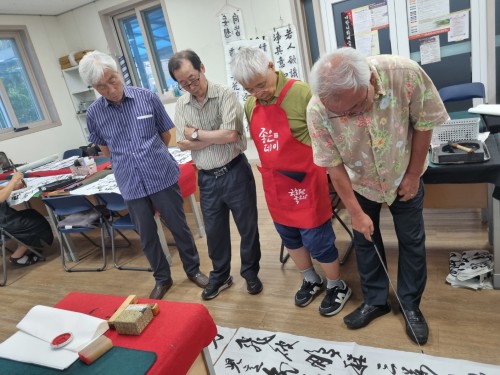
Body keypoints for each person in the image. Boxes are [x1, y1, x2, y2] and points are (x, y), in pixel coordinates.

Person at [307, 47, 448, 344]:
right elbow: (332, 165)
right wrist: (355, 213)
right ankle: (376, 300)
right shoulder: (318, 108)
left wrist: (412, 175)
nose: (351, 116)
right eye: (342, 114)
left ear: (370, 80)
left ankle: (410, 304)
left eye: (357, 106)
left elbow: (425, 123)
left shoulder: (404, 74)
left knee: (411, 239)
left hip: (402, 172)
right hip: (360, 182)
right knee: (364, 239)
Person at [230, 47, 351, 316]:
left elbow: (328, 136)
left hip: (307, 181)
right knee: (290, 236)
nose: (257, 93)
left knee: (317, 238)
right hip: (276, 185)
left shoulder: (302, 93)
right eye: (250, 89)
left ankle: (336, 284)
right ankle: (311, 279)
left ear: (272, 66)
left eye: (261, 84)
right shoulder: (251, 105)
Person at [78, 50, 208, 300]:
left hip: (160, 174)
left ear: (118, 72)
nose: (110, 89)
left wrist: (147, 155)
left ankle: (193, 270)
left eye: (112, 80)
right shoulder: (94, 113)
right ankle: (162, 279)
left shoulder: (146, 97)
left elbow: (165, 135)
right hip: (129, 181)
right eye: (101, 86)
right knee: (148, 235)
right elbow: (106, 149)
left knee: (179, 227)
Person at [168, 49, 262, 300]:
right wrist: (212, 136)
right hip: (207, 177)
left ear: (202, 68)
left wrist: (196, 134)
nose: (190, 86)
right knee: (215, 232)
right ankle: (220, 276)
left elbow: (231, 135)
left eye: (193, 78)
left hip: (235, 171)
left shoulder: (225, 94)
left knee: (247, 227)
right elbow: (181, 142)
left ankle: (251, 273)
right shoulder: (181, 104)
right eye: (183, 83)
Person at [0, 171, 52, 265]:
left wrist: (13, 187)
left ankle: (25, 245)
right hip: (4, 225)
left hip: (4, 220)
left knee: (30, 213)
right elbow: (1, 198)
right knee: (35, 221)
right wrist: (13, 180)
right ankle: (17, 256)